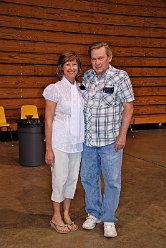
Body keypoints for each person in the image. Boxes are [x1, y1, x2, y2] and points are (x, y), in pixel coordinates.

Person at [80, 42, 134, 238]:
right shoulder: (86, 77)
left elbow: (128, 107)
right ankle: (93, 213)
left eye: (100, 58)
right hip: (88, 141)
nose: (97, 62)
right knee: (87, 178)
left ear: (109, 58)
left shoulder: (120, 77)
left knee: (112, 181)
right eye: (93, 59)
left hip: (111, 140)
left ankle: (109, 218)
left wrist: (122, 135)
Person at [43, 51, 84, 234]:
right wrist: (48, 148)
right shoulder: (54, 89)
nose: (71, 68)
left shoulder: (81, 88)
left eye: (74, 64)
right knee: (59, 179)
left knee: (71, 180)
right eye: (67, 64)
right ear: (61, 68)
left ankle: (66, 213)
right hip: (59, 143)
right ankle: (56, 216)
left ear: (78, 67)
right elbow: (49, 120)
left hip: (77, 142)